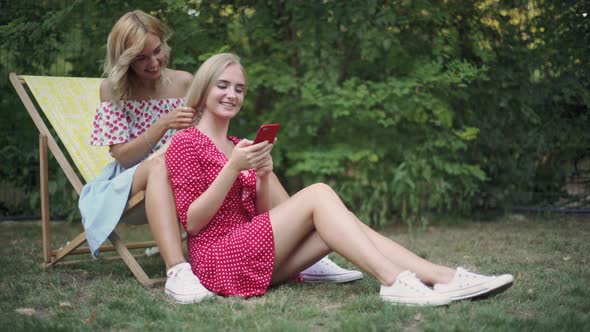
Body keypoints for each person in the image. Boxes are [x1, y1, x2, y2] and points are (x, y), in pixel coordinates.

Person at [165, 53, 514, 305]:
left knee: (342, 223)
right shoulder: (185, 142)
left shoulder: (239, 144)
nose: (232, 94)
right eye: (222, 86)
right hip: (216, 260)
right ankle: (394, 281)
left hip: (250, 252)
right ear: (203, 90)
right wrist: (231, 168)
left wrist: (263, 176)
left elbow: (260, 216)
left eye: (239, 88)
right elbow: (193, 224)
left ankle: (445, 277)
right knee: (318, 193)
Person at [78, 10, 360, 305]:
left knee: (261, 166)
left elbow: (206, 134)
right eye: (140, 57)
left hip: (187, 174)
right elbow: (121, 155)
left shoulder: (184, 81)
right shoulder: (111, 89)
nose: (153, 62)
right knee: (160, 163)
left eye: (157, 50)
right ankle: (177, 268)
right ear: (124, 58)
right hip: (135, 179)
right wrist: (164, 125)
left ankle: (299, 249)